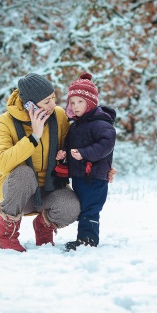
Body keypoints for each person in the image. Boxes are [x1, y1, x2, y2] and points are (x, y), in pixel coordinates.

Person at [0, 73, 80, 252]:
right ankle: (7, 238)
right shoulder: (5, 121)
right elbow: (1, 163)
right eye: (46, 101)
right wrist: (33, 137)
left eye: (53, 98)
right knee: (24, 174)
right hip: (18, 191)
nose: (53, 105)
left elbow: (73, 146)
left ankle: (43, 226)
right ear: (29, 104)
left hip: (49, 189)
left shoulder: (59, 116)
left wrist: (100, 164)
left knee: (71, 206)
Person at [56, 73, 117, 251]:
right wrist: (64, 153)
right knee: (83, 208)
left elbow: (107, 144)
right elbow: (73, 145)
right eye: (72, 102)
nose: (75, 107)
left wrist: (84, 154)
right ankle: (83, 238)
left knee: (91, 208)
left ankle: (88, 240)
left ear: (90, 102)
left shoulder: (101, 123)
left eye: (80, 102)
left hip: (95, 176)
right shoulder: (77, 125)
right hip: (80, 176)